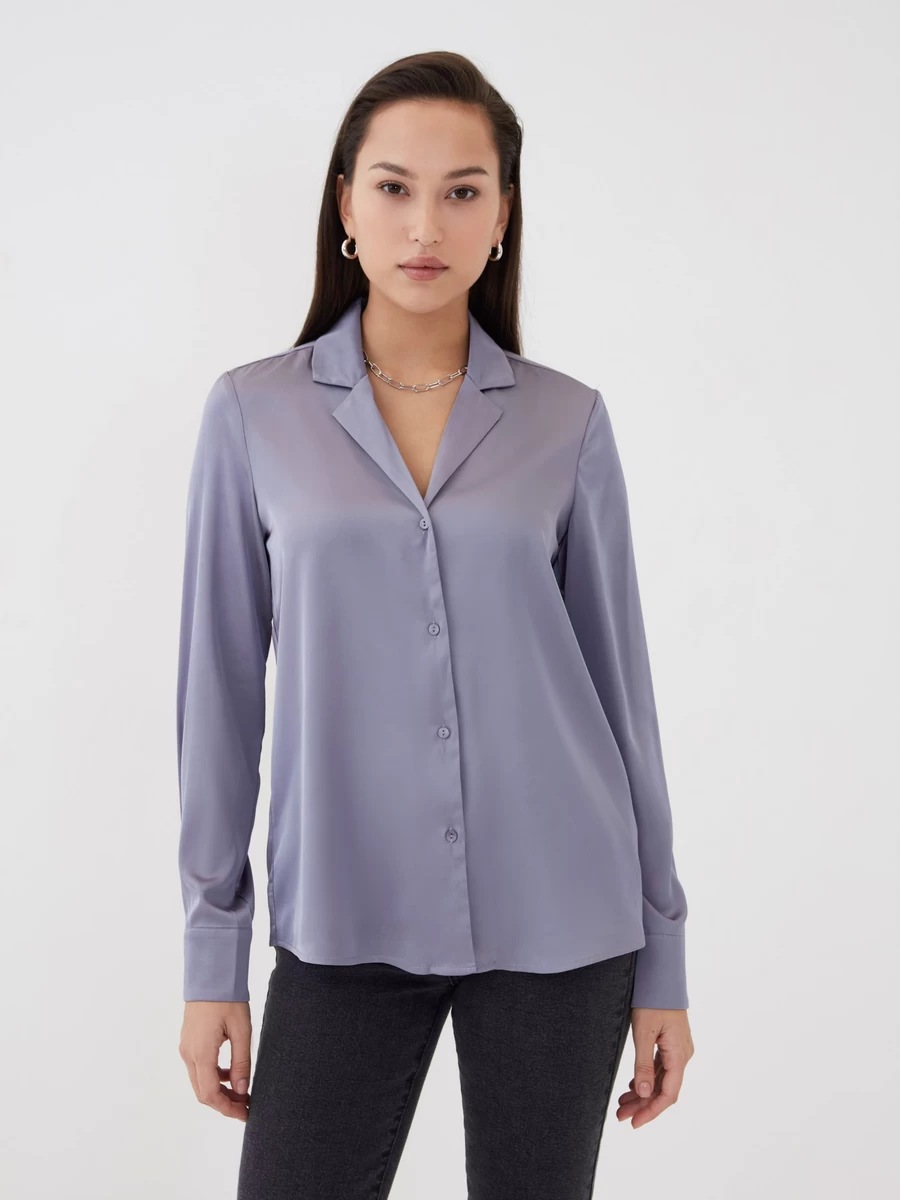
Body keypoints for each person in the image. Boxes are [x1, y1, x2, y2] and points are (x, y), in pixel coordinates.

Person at [176, 49, 694, 1200]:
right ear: (345, 205)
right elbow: (217, 697)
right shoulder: (253, 415)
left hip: (564, 917)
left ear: (503, 216)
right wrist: (213, 952)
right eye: (394, 187)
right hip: (345, 915)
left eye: (463, 190)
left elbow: (623, 700)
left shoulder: (567, 422)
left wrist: (665, 954)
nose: (426, 225)